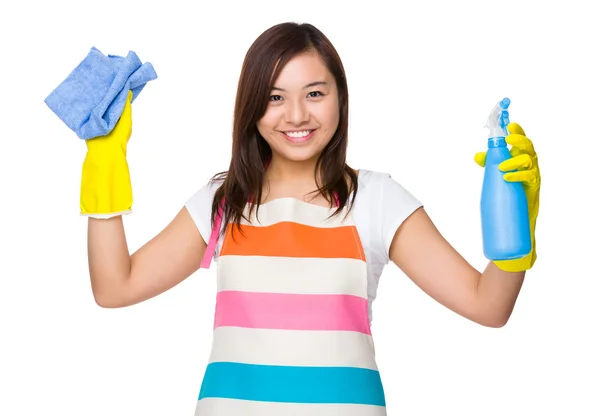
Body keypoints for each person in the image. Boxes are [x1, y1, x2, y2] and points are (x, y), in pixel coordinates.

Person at [83, 22, 541, 415]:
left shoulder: (376, 199)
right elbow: (115, 287)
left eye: (315, 93)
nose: (296, 114)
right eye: (275, 97)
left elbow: (487, 306)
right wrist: (104, 165)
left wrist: (517, 227)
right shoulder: (224, 202)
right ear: (251, 107)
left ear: (340, 96)